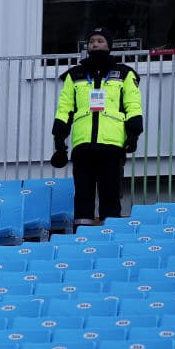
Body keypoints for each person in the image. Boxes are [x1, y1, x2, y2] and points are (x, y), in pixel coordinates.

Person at [50, 27, 143, 226]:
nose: (95, 44)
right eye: (92, 40)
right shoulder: (74, 75)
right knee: (83, 193)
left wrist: (133, 134)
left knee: (111, 193)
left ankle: (111, 234)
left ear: (109, 45)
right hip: (83, 144)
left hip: (112, 144)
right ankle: (82, 237)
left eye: (100, 40)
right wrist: (59, 141)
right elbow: (64, 108)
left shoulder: (124, 74)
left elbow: (132, 105)